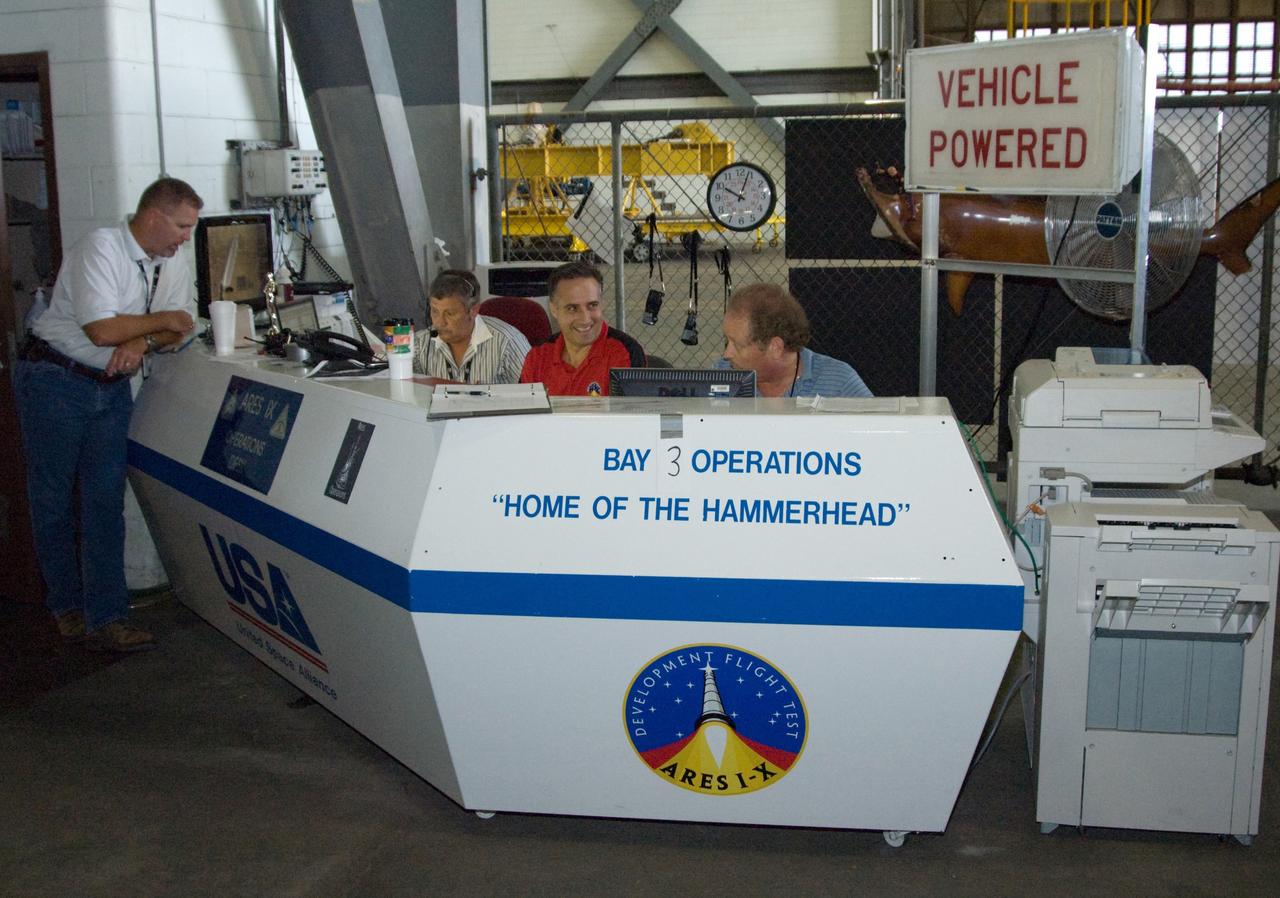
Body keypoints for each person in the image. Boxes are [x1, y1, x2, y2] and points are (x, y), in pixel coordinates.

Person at [14, 177, 202, 652]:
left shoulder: (171, 260)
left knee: (105, 503)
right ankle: (65, 605)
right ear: (154, 216)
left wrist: (142, 339)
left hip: (111, 388)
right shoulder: (100, 248)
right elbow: (102, 330)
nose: (186, 237)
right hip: (56, 381)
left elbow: (181, 329)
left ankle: (108, 615)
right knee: (53, 498)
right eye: (182, 226)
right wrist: (162, 323)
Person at [719, 283, 872, 398]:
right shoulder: (719, 378)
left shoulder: (839, 384)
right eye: (727, 342)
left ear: (775, 347)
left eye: (736, 345)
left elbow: (879, 436)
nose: (726, 354)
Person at [520, 260, 645, 396]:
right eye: (572, 308)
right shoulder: (537, 358)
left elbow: (631, 416)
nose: (585, 319)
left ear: (601, 304)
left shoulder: (624, 352)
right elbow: (524, 416)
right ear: (554, 309)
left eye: (592, 305)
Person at [414, 269, 531, 383]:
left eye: (449, 314)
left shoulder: (507, 342)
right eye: (435, 312)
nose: (439, 323)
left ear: (473, 310)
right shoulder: (419, 344)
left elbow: (537, 393)